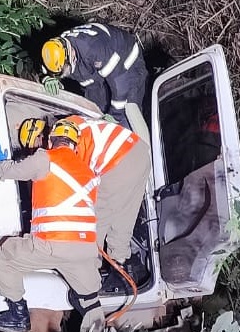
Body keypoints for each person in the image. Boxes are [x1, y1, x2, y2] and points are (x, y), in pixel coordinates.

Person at [0, 120, 104, 332]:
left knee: (0, 258)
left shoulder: (45, 158)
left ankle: (17, 315)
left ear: (50, 141)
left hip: (51, 244)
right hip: (84, 250)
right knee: (90, 297)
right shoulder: (90, 173)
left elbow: (10, 172)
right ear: (75, 146)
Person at [17, 115, 150, 276]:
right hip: (138, 150)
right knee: (124, 215)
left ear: (42, 136)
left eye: (38, 147)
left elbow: (77, 186)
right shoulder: (70, 122)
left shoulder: (64, 144)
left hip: (116, 160)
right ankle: (120, 263)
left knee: (92, 220)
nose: (42, 151)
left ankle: (90, 272)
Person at [41, 23, 146, 128]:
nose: (61, 76)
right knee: (94, 115)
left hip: (127, 64)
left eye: (62, 72)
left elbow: (120, 84)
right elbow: (45, 69)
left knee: (126, 116)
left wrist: (116, 115)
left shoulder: (94, 50)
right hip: (97, 69)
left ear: (71, 56)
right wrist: (47, 78)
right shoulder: (55, 49)